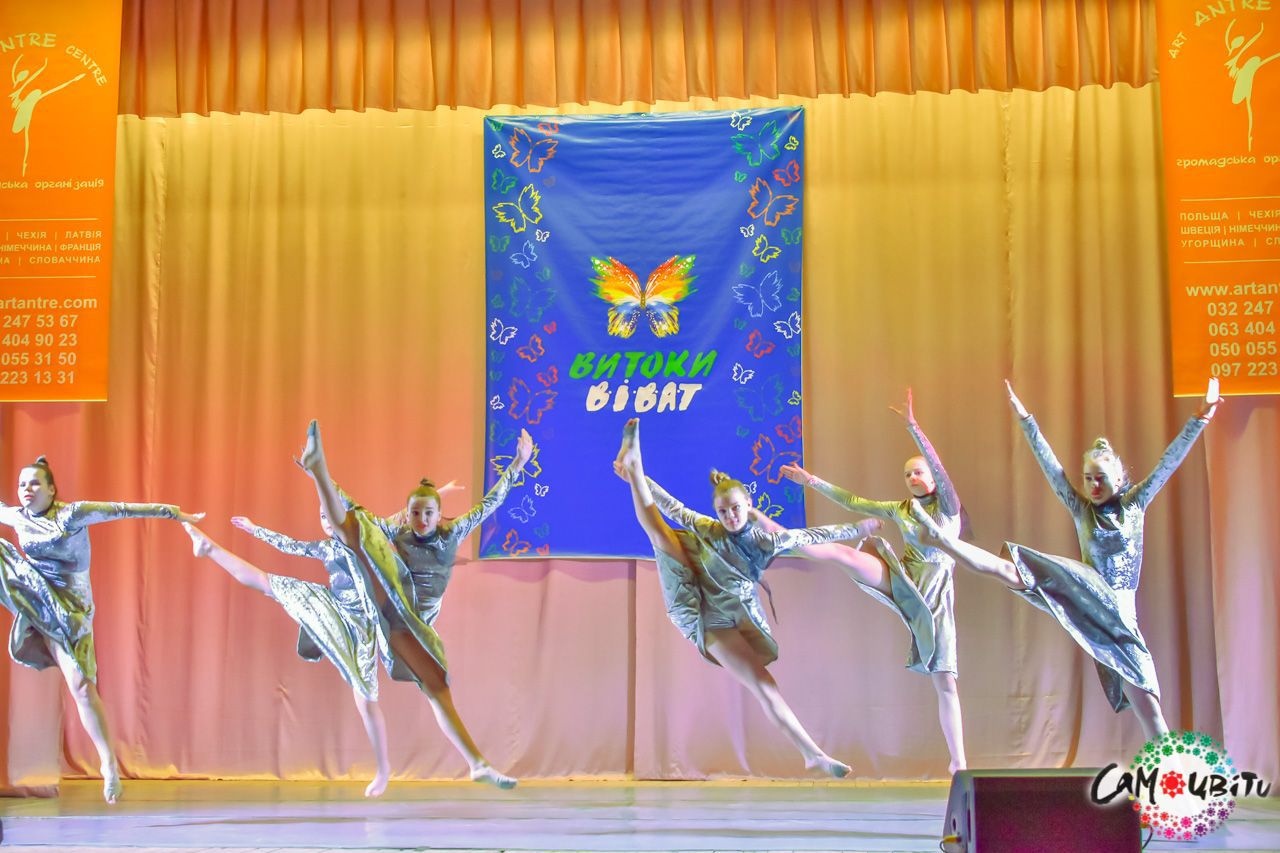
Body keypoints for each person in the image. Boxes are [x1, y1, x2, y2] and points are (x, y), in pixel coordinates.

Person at [908, 378, 1221, 741]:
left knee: (1148, 707)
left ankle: (1170, 772)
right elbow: (1051, 467)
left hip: (1120, 615)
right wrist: (1026, 420)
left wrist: (1200, 418)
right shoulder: (1081, 509)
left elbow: (1168, 464)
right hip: (1086, 589)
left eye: (1101, 479)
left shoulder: (1134, 504)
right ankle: (943, 541)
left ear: (1119, 479)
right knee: (1011, 570)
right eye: (1088, 479)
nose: (1093, 486)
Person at [613, 418, 878, 777]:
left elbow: (811, 536)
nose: (730, 516)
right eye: (723, 511)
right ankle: (635, 465)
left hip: (727, 618)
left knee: (763, 684)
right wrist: (639, 480)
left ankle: (813, 754)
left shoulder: (766, 540)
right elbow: (672, 506)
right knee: (660, 534)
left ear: (748, 504)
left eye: (736, 508)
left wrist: (856, 528)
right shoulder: (710, 528)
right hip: (695, 601)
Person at [294, 421, 532, 787]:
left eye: (428, 513)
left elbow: (491, 503)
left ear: (440, 514)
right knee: (355, 527)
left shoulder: (454, 531)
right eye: (415, 513)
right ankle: (319, 469)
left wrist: (518, 464)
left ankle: (477, 764)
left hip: (414, 628)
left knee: (438, 689)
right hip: (391, 604)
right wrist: (324, 481)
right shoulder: (399, 530)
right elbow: (355, 508)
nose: (421, 520)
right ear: (406, 514)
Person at [775, 389, 968, 774]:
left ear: (932, 477)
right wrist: (811, 480)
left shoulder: (948, 508)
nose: (912, 477)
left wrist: (913, 427)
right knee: (846, 555)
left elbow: (939, 469)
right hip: (905, 580)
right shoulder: (901, 509)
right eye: (907, 474)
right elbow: (854, 502)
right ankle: (780, 542)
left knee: (946, 683)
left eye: (918, 472)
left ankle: (959, 763)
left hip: (935, 598)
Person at [0, 457, 203, 803]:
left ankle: (108, 763)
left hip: (73, 609)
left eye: (35, 483)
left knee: (81, 687)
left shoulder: (72, 515)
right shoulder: (17, 516)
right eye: (22, 484)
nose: (27, 490)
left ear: (52, 489)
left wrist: (173, 513)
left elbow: (123, 509)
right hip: (39, 595)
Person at [183, 513, 395, 796]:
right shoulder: (324, 547)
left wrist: (436, 495)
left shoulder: (367, 539)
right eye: (321, 516)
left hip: (363, 626)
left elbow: (400, 521)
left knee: (366, 701)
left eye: (331, 513)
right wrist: (255, 529)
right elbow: (290, 545)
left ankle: (383, 769)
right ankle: (210, 549)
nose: (326, 521)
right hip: (332, 608)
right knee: (267, 583)